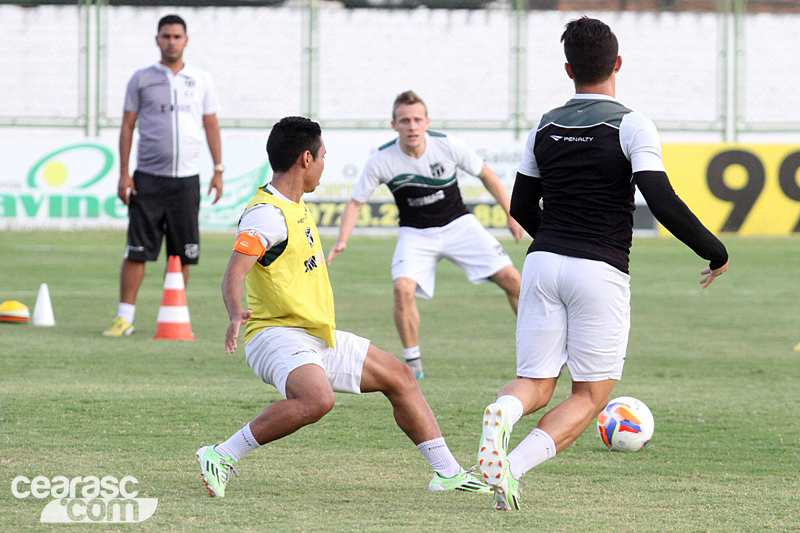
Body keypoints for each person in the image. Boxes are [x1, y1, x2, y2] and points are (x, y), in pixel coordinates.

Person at [476, 17, 729, 511]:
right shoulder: (632, 123)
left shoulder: (544, 125)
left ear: (568, 68)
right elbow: (660, 199)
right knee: (591, 395)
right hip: (600, 270)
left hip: (543, 263)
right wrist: (714, 251)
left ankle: (502, 414)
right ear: (617, 64)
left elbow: (523, 208)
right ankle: (513, 467)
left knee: (536, 383)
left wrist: (558, 231)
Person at [195, 116, 489, 498]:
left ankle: (447, 473)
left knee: (400, 377)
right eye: (322, 157)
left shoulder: (294, 204)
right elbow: (234, 272)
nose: (323, 165)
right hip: (275, 335)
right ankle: (221, 455)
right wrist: (236, 312)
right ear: (305, 159)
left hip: (314, 335)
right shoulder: (267, 214)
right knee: (317, 399)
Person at [327, 90, 523, 379]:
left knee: (514, 281)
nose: (412, 126)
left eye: (417, 119)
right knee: (402, 289)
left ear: (427, 122)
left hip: (459, 225)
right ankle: (413, 363)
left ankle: (537, 349)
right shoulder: (382, 159)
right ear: (394, 125)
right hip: (415, 233)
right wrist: (342, 239)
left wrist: (510, 212)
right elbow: (356, 202)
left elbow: (486, 174)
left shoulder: (448, 146)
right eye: (404, 120)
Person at [103, 14, 224, 337]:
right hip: (148, 178)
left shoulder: (201, 79)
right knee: (137, 250)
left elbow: (211, 125)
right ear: (157, 39)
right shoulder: (141, 79)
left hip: (186, 181)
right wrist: (123, 174)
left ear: (186, 40)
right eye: (166, 36)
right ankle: (124, 317)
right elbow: (127, 125)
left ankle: (172, 314)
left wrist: (218, 170)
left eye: (177, 36)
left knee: (182, 252)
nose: (171, 41)